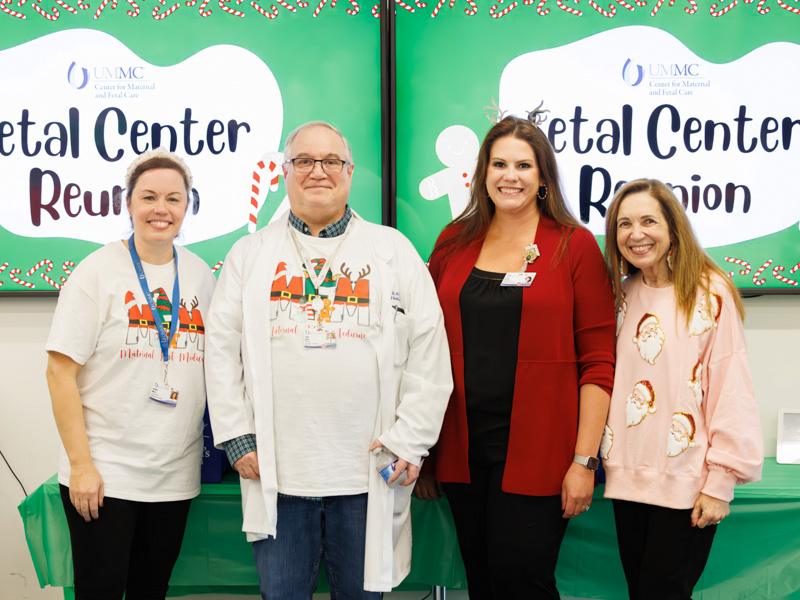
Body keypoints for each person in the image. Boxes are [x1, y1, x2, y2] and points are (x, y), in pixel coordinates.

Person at [204, 121, 452, 598]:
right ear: (284, 172)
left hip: (368, 474)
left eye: (331, 161)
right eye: (304, 161)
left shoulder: (392, 250)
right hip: (277, 471)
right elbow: (220, 351)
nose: (318, 171)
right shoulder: (249, 254)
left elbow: (429, 350)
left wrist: (411, 440)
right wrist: (236, 436)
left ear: (350, 171)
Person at [419, 112, 616, 599]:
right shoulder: (452, 242)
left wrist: (583, 462)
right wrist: (422, 453)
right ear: (483, 173)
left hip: (541, 453)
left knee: (522, 582)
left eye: (525, 165)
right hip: (462, 449)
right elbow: (422, 349)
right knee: (483, 581)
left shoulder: (574, 246)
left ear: (543, 177)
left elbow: (598, 362)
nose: (511, 176)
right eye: (500, 164)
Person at [45, 147, 216, 599]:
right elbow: (59, 373)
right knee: (100, 591)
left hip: (173, 476)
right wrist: (82, 466)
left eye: (174, 199)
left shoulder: (200, 276)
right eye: (149, 197)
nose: (161, 209)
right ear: (129, 203)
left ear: (188, 206)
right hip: (106, 473)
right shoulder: (96, 273)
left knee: (151, 590)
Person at [601, 178, 764, 600]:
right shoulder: (621, 295)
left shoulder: (710, 294)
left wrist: (720, 483)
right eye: (624, 224)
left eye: (648, 221)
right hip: (627, 479)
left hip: (687, 483)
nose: (635, 234)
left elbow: (732, 390)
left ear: (673, 228)